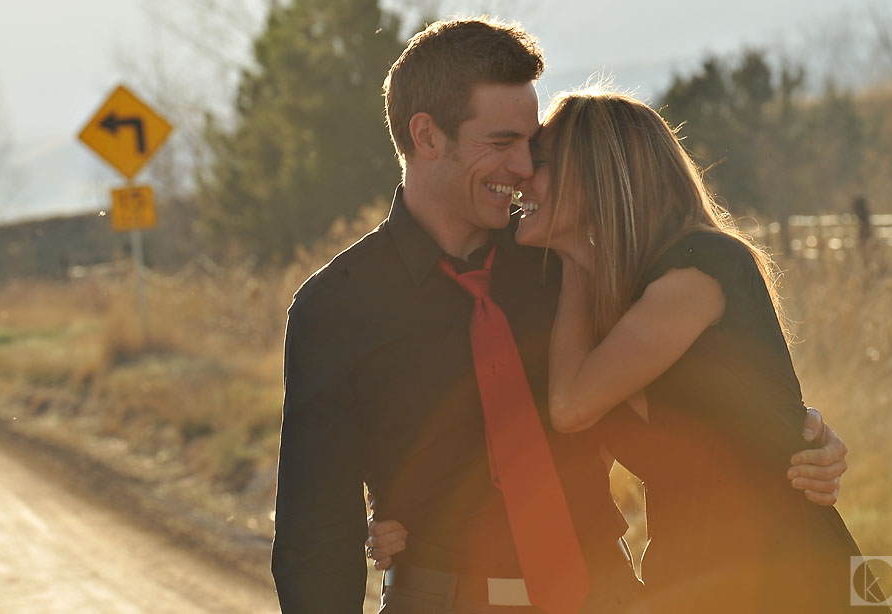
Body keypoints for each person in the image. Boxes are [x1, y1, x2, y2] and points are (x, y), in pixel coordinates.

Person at [272, 18, 849, 613]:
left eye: (532, 144)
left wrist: (798, 439)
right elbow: (314, 536)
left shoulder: (574, 266)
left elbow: (698, 398)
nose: (523, 167)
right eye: (501, 142)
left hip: (607, 596)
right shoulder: (336, 308)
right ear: (426, 136)